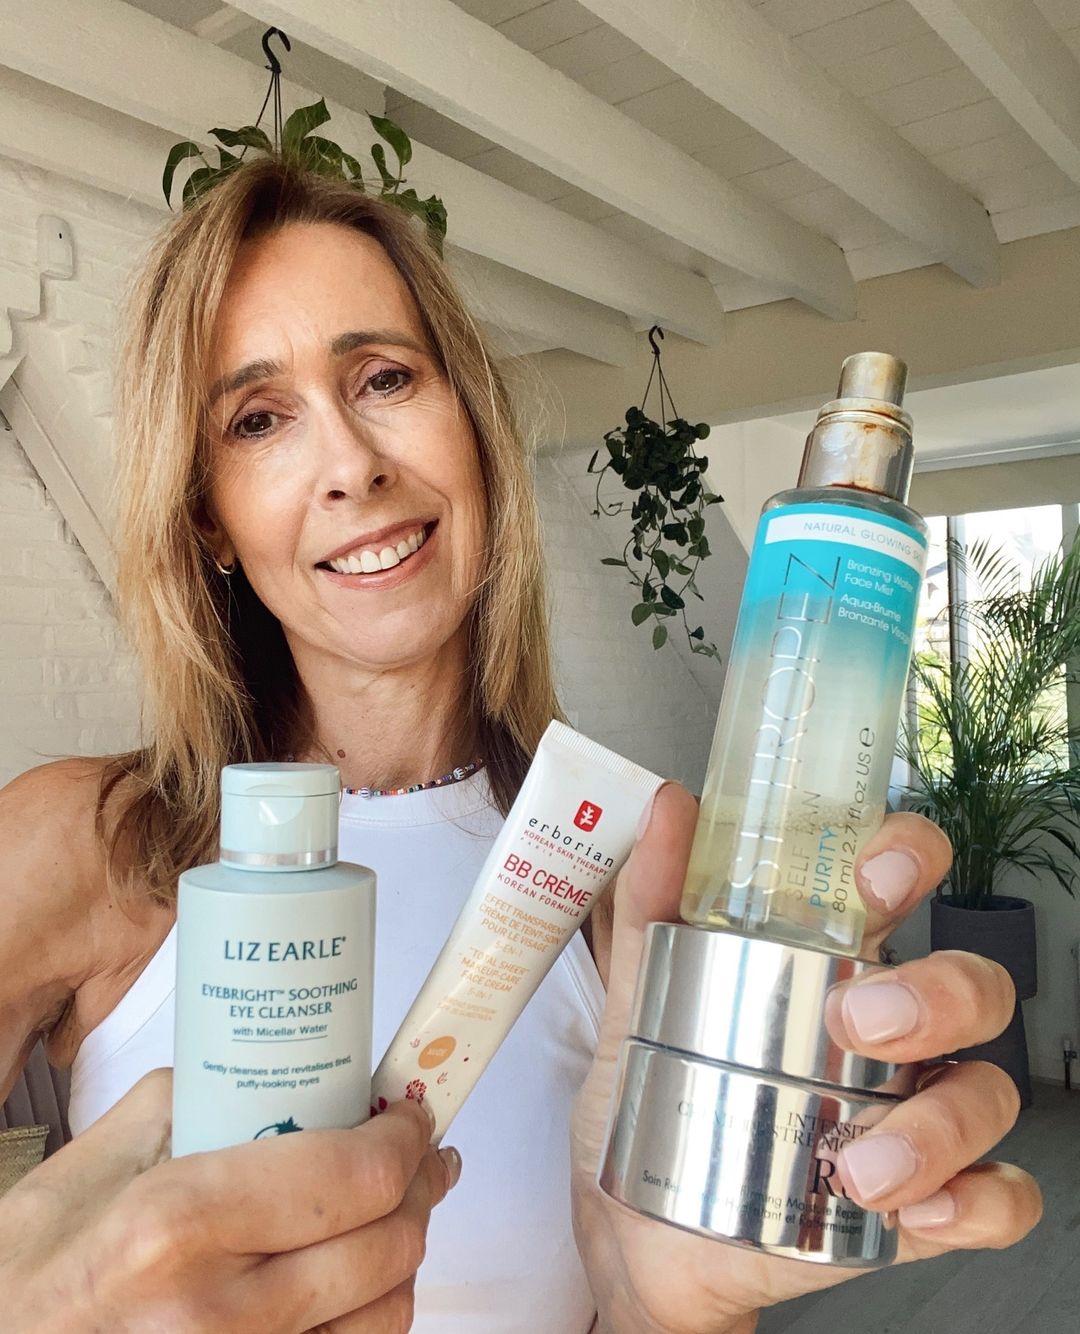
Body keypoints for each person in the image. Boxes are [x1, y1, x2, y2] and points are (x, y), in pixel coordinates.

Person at [0, 159, 1040, 1333]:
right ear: (210, 518)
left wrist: (667, 1309)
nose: (352, 464)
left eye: (384, 376)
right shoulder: (78, 845)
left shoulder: (626, 884)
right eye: (259, 418)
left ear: (475, 430)